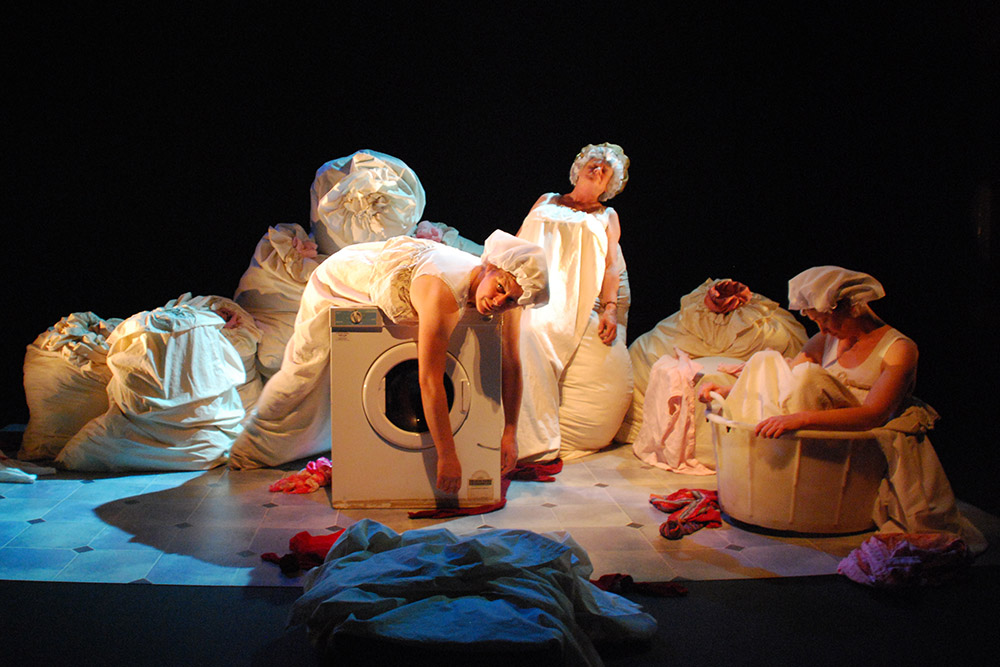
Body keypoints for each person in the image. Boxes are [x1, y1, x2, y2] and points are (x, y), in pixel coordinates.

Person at [229, 230, 549, 494]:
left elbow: (511, 365)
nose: (499, 302)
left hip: (409, 273)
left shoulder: (513, 291)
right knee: (306, 368)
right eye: (499, 289)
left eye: (510, 300)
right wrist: (447, 456)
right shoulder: (443, 291)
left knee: (329, 389)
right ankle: (251, 449)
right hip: (346, 277)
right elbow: (429, 380)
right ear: (490, 266)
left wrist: (510, 432)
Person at [699, 266, 986, 553]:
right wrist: (727, 392)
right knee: (765, 360)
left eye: (826, 321)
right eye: (817, 322)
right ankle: (765, 478)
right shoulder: (826, 339)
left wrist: (801, 419)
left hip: (852, 432)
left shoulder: (899, 348)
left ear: (853, 308)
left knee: (808, 375)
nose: (823, 330)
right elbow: (782, 381)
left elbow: (874, 414)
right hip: (809, 430)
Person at [515, 143, 633, 462]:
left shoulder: (607, 215)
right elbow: (518, 240)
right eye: (593, 163)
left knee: (534, 333)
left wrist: (610, 308)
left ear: (610, 185)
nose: (598, 169)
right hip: (527, 283)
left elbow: (611, 266)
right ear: (578, 168)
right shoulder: (546, 199)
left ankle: (535, 445)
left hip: (569, 294)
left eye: (605, 170)